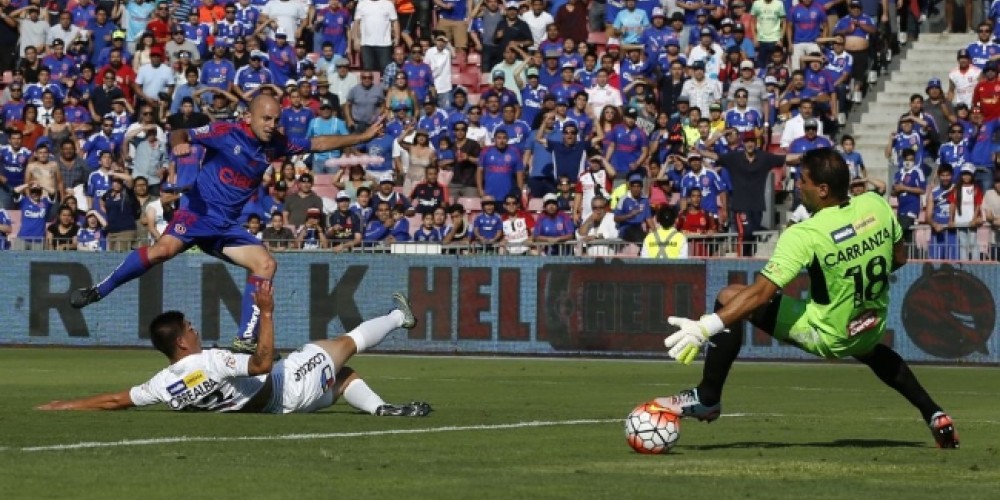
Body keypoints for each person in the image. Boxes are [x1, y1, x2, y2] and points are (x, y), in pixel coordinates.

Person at [657, 148, 960, 449]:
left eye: (803, 181)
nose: (797, 186)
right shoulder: (875, 204)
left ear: (823, 189)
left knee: (728, 296)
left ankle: (708, 397)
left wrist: (705, 327)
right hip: (871, 324)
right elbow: (900, 257)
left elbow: (761, 293)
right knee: (870, 351)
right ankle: (934, 413)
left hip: (828, 334)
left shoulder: (805, 233)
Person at [70, 95, 384, 354]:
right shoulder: (226, 132)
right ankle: (98, 290)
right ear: (249, 117)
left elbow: (317, 143)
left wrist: (362, 137)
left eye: (276, 120)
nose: (272, 125)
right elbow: (181, 133)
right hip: (197, 215)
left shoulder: (276, 144)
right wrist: (180, 144)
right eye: (266, 119)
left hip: (225, 227)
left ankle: (245, 337)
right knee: (161, 252)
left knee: (266, 264)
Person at [39, 284, 432, 417]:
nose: (195, 330)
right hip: (286, 385)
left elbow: (114, 400)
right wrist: (266, 313)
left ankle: (380, 408)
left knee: (343, 377)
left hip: (278, 404)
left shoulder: (162, 384)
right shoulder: (210, 360)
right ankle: (401, 318)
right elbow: (262, 362)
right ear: (180, 341)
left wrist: (64, 406)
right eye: (190, 328)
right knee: (339, 345)